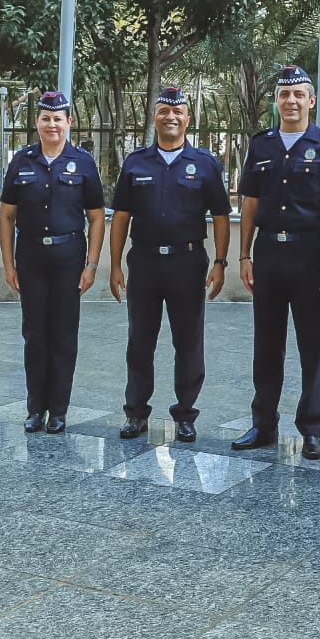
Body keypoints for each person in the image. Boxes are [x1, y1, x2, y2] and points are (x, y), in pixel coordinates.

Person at [230, 66, 320, 461]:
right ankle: (263, 424)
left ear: (311, 101)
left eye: (299, 94)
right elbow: (249, 202)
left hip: (310, 255)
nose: (292, 101)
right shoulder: (261, 145)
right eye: (285, 95)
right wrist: (244, 254)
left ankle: (313, 429)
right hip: (268, 254)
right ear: (277, 101)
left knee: (311, 345)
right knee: (266, 345)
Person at [110, 86, 232, 444]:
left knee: (188, 342)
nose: (171, 117)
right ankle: (136, 413)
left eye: (177, 112)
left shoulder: (205, 163)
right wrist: (115, 265)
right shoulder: (136, 162)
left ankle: (185, 415)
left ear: (187, 119)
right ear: (155, 117)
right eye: (164, 111)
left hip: (188, 261)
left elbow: (222, 216)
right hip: (144, 262)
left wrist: (221, 262)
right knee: (139, 341)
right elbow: (120, 217)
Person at [0, 91, 106, 434]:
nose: (52, 124)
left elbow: (97, 217)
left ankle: (58, 410)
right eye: (46, 118)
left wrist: (91, 265)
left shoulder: (83, 162)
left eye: (58, 118)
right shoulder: (22, 160)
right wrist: (9, 264)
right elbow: (6, 216)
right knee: (34, 335)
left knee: (62, 335)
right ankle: (35, 409)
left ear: (69, 122)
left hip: (68, 259)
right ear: (37, 123)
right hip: (30, 257)